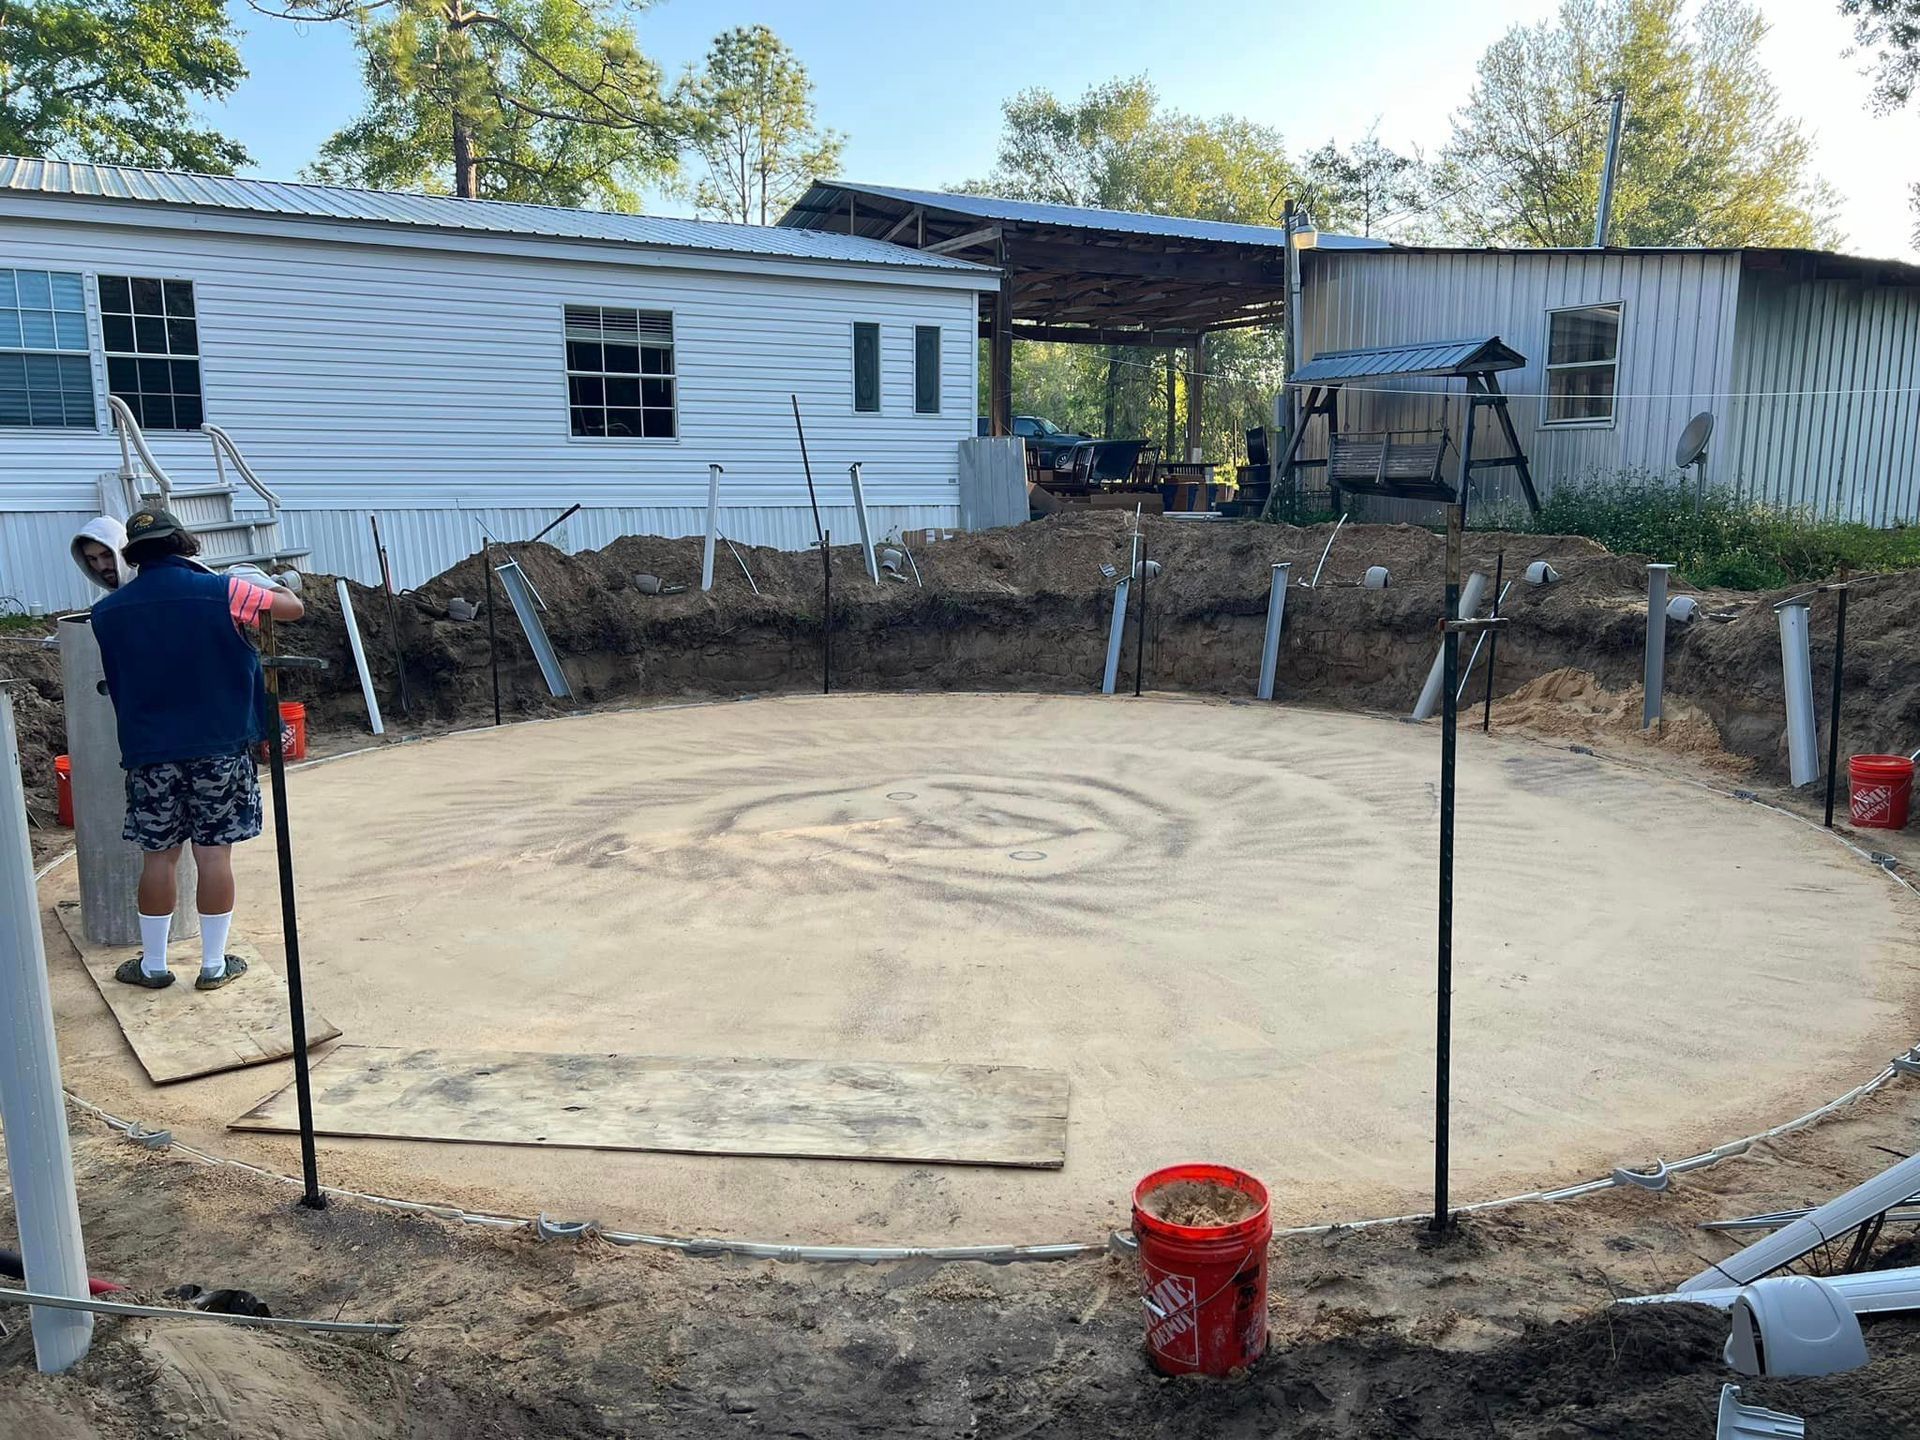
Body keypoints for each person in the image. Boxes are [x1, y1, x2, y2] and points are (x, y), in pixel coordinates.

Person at [89, 507, 305, 991]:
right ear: (182, 543)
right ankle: (212, 965)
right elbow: (291, 608)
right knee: (214, 857)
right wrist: (272, 584)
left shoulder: (106, 613)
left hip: (149, 754)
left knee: (158, 858)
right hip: (220, 748)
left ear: (132, 555)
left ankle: (154, 966)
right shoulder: (224, 592)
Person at [71, 516, 133, 594]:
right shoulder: (103, 604)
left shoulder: (151, 592)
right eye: (92, 559)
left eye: (108, 555)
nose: (102, 566)